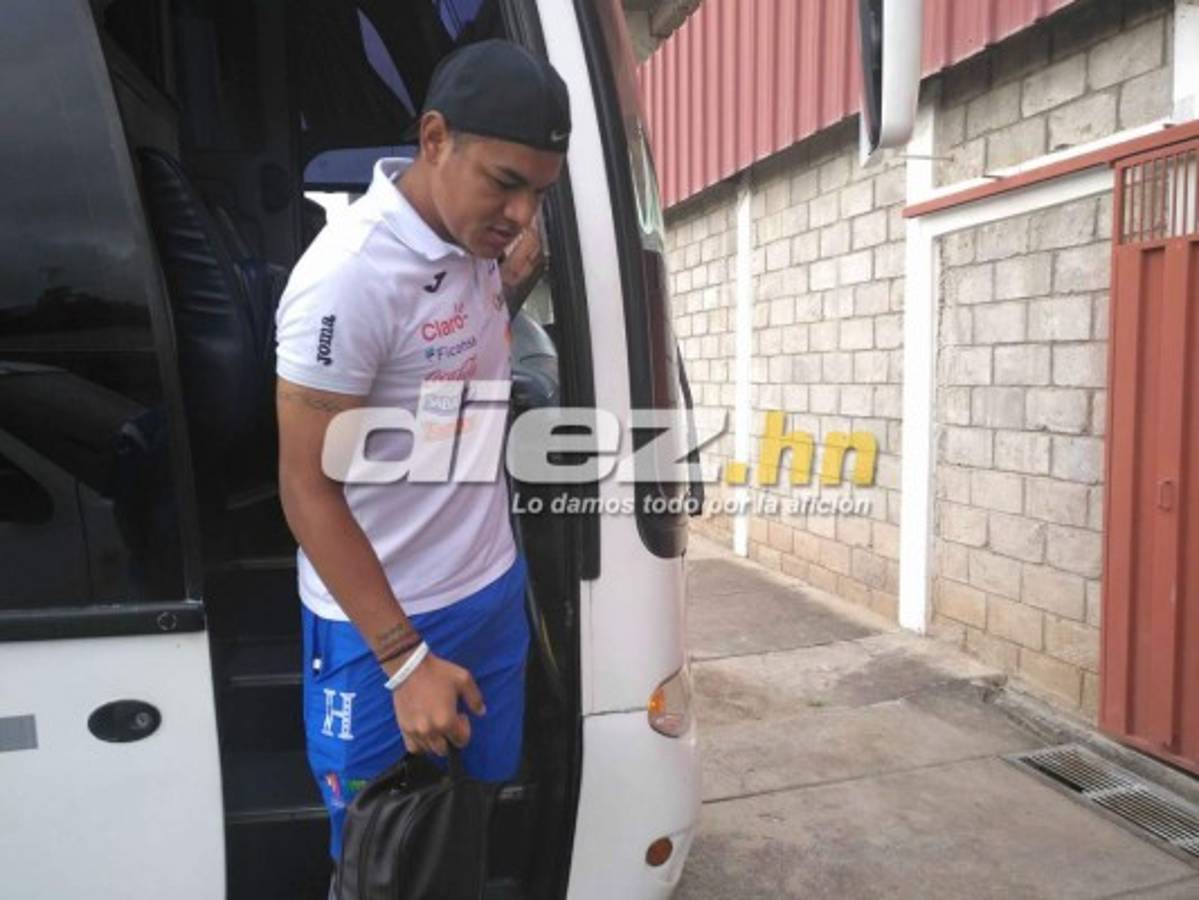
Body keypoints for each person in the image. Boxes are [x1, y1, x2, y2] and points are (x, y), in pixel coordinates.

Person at [273, 38, 570, 867]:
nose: (519, 215)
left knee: (468, 825)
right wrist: (404, 662)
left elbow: (438, 362)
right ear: (433, 139)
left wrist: (506, 287)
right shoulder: (348, 280)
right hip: (385, 625)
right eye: (505, 183)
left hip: (487, 591)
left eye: (538, 193)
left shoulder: (480, 249)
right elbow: (306, 490)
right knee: (386, 855)